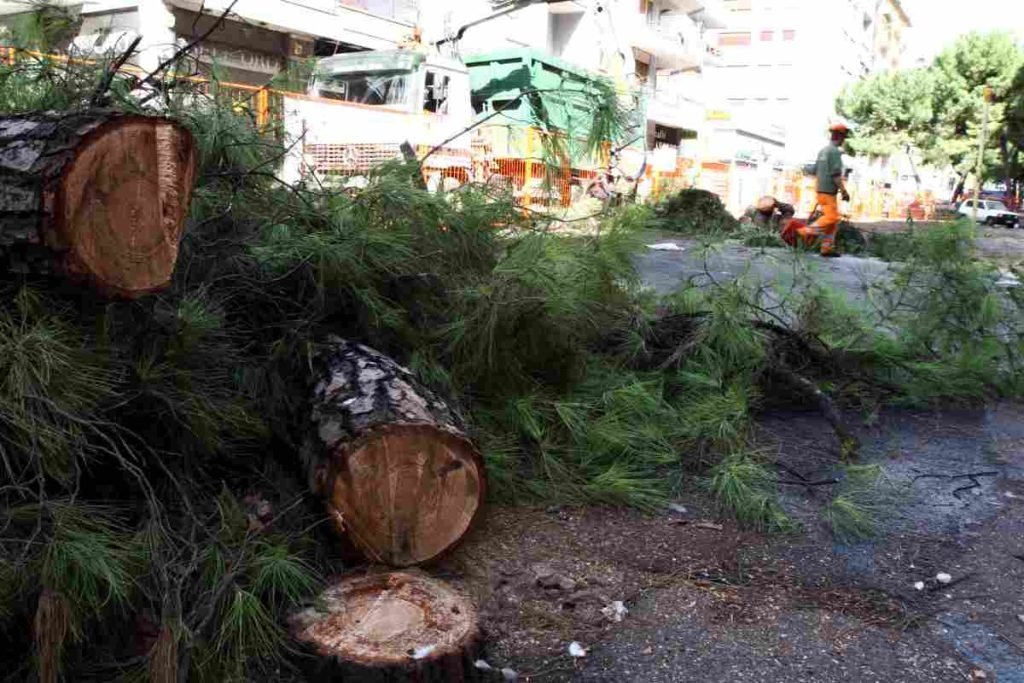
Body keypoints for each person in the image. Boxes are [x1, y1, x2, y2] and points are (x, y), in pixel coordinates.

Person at [798, 123, 851, 257]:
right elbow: (835, 174)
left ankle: (827, 248)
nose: (844, 139)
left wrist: (804, 168)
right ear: (840, 136)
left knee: (832, 223)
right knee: (832, 217)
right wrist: (844, 191)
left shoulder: (823, 151)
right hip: (828, 192)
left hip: (821, 190)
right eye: (844, 136)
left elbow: (814, 170)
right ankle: (806, 232)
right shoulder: (834, 152)